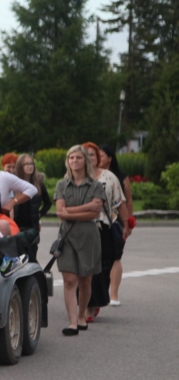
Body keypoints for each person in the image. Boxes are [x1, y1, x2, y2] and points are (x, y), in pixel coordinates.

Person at [54, 145, 106, 336]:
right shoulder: (62, 184)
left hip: (89, 237)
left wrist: (71, 211)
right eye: (71, 158)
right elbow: (60, 214)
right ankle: (72, 321)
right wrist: (85, 207)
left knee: (85, 280)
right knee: (70, 280)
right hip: (67, 236)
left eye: (78, 158)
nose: (74, 161)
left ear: (86, 160)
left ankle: (82, 315)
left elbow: (94, 213)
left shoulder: (96, 185)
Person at [84, 142, 125, 320]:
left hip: (103, 227)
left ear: (98, 157)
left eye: (93, 155)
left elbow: (119, 202)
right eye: (85, 154)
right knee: (84, 268)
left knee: (102, 269)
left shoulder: (109, 177)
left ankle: (95, 301)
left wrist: (126, 225)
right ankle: (87, 306)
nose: (89, 158)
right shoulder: (75, 176)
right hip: (82, 227)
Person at [99, 144, 132, 306]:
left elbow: (128, 201)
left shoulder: (120, 177)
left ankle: (114, 294)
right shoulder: (91, 175)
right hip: (99, 222)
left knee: (116, 256)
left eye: (101, 155)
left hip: (116, 222)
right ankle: (100, 293)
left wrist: (128, 223)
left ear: (110, 158)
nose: (98, 158)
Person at [13, 153, 51, 262]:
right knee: (18, 256)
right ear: (20, 166)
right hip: (17, 225)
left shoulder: (38, 183)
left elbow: (47, 203)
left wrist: (39, 214)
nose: (30, 166)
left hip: (32, 226)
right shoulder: (14, 183)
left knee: (31, 256)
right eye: (26, 164)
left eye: (31, 164)